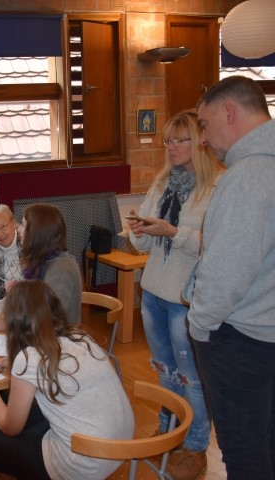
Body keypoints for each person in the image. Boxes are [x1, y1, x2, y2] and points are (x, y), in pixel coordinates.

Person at [0, 280, 134, 479]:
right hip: (119, 445)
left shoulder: (29, 358)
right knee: (19, 417)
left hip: (81, 463)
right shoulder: (80, 336)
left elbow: (10, 428)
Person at [127, 109, 223, 480]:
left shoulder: (216, 188)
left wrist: (173, 233)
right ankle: (168, 432)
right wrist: (138, 230)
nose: (171, 147)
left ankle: (196, 448)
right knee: (165, 371)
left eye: (179, 139)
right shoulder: (162, 183)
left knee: (191, 378)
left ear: (200, 142)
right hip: (153, 293)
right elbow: (143, 245)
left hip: (186, 300)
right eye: (168, 140)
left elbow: (216, 245)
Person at [188, 75, 275, 479]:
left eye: (204, 125)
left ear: (229, 112)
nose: (203, 139)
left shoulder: (246, 177)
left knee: (244, 454)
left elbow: (225, 274)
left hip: (241, 341)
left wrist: (199, 327)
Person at [0, 203, 81, 329]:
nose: (19, 229)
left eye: (23, 225)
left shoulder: (61, 271)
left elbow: (49, 320)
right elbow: (39, 305)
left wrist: (8, 325)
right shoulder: (45, 261)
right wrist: (20, 293)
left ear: (36, 232)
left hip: (60, 338)